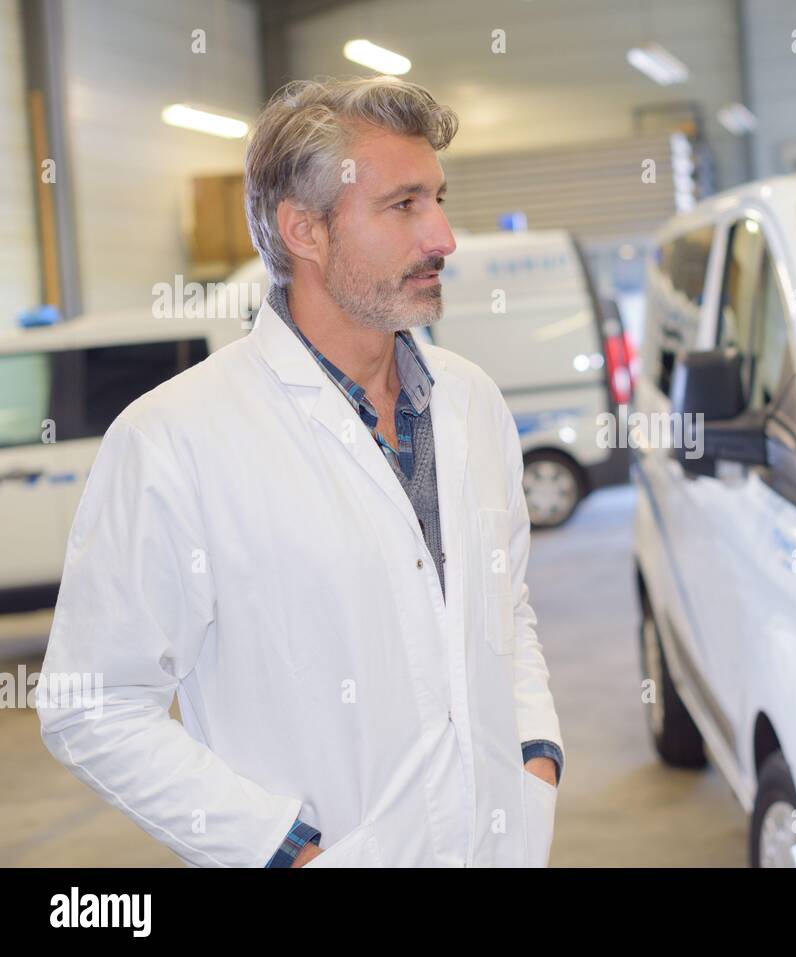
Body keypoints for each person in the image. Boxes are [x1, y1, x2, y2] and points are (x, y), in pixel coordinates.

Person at [37, 76, 563, 867]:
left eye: (440, 200)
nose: (445, 237)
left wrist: (535, 757)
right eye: (405, 205)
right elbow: (93, 702)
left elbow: (506, 606)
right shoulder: (174, 439)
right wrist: (282, 849)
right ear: (305, 231)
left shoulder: (472, 403)